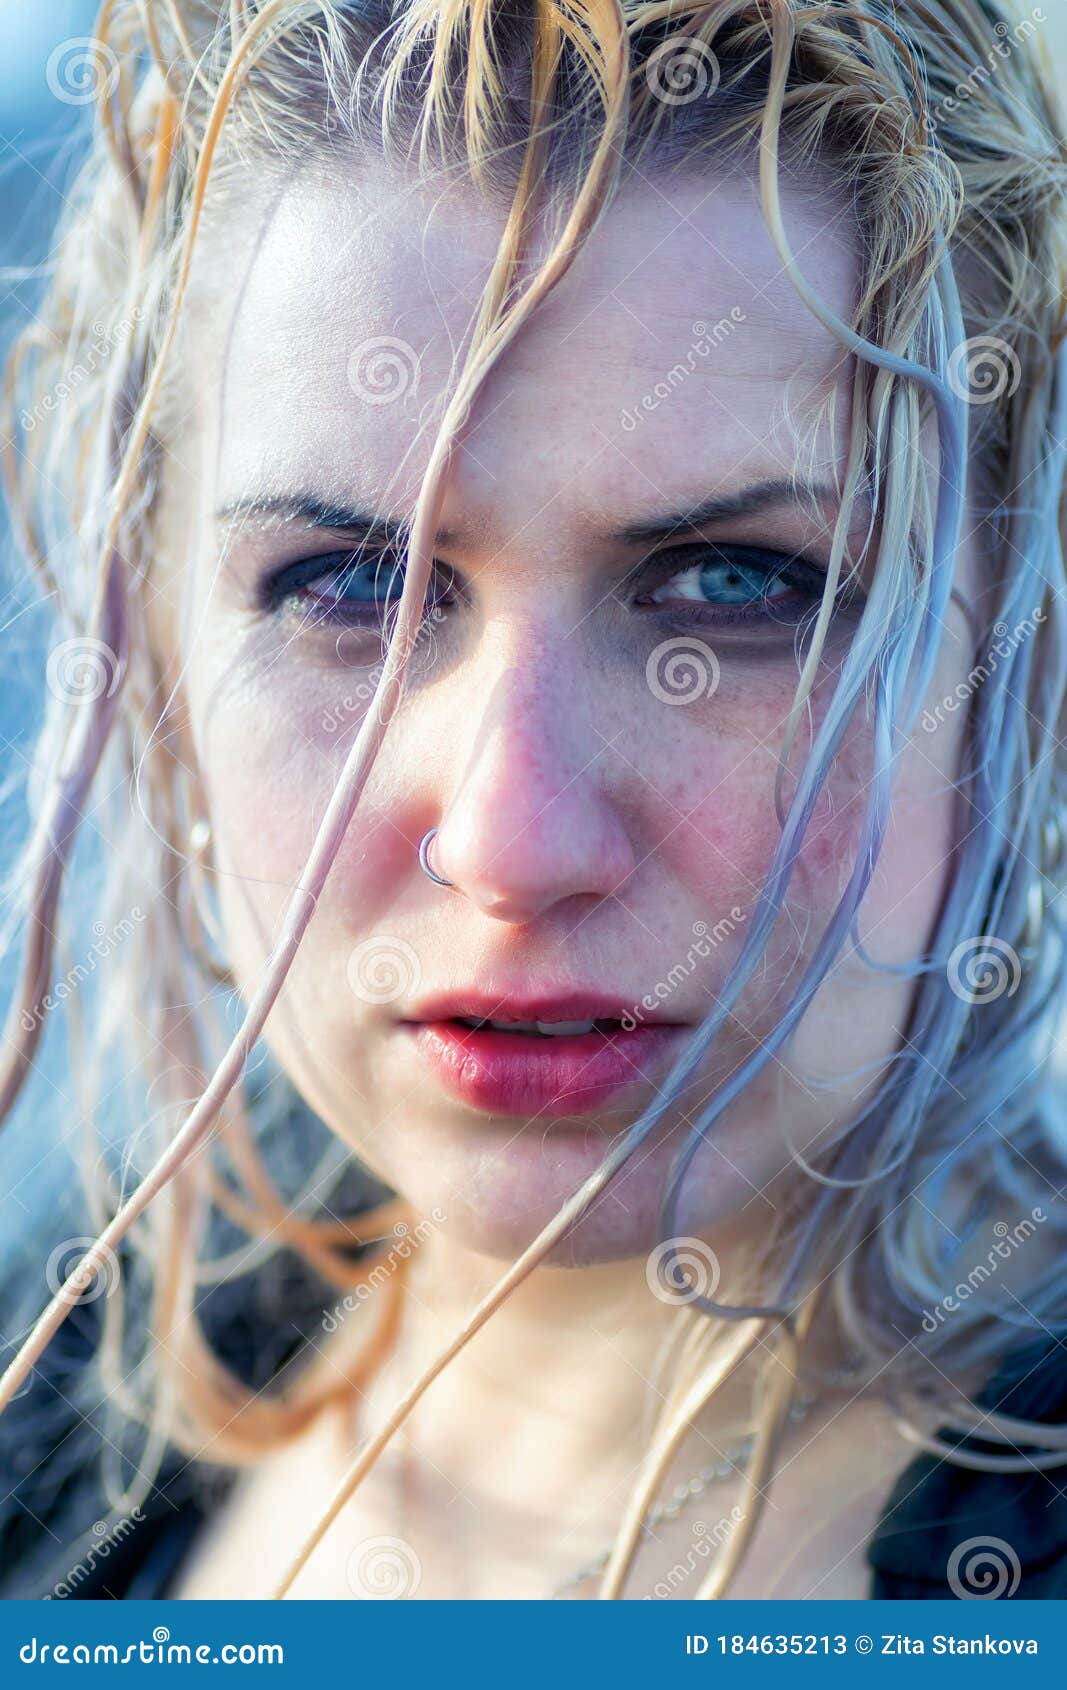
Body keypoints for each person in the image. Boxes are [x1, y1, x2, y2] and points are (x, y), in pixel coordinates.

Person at [1, 0, 1066, 1601]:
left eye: (736, 581)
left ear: (1024, 645)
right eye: (349, 583)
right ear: (147, 627)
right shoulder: (61, 1375)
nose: (512, 842)